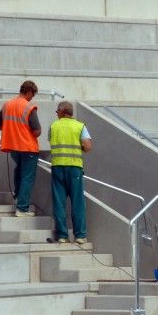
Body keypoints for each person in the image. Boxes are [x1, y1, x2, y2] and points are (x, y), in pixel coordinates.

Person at [0, 80, 41, 217]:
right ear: (28, 92)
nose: (32, 98)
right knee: (27, 177)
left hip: (13, 146)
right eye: (32, 95)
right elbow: (37, 131)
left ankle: (17, 198)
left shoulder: (7, 105)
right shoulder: (29, 107)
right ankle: (22, 208)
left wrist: (12, 131)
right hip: (27, 146)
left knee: (19, 171)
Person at [49, 101, 93, 244]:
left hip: (57, 168)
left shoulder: (53, 126)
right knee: (77, 203)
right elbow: (87, 147)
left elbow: (51, 141)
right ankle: (80, 235)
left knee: (59, 203)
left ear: (62, 111)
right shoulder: (80, 126)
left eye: (57, 112)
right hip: (74, 168)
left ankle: (62, 236)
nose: (56, 114)